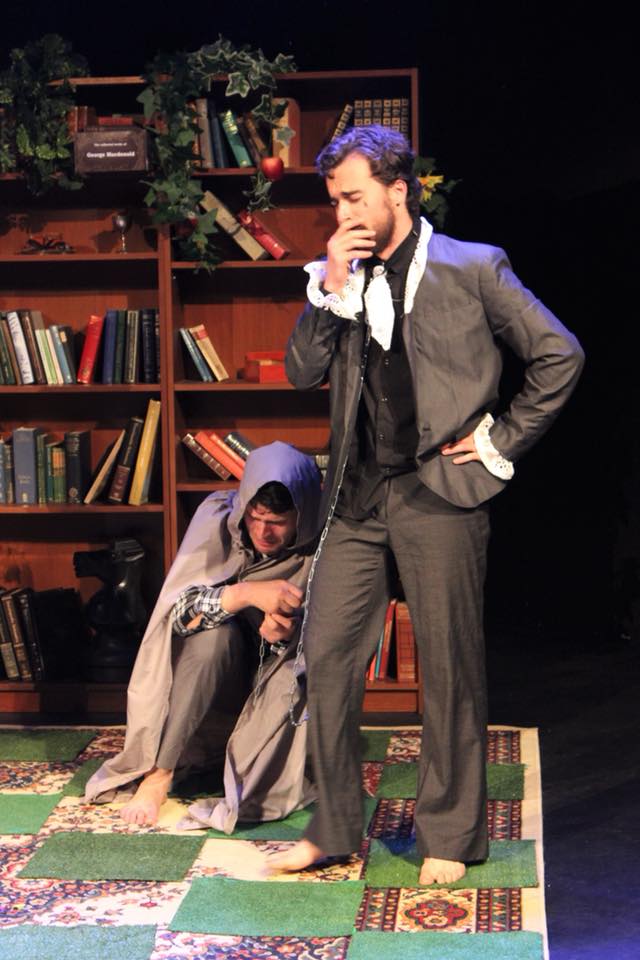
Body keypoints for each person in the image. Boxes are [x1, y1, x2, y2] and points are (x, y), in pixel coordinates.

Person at [273, 125, 585, 883]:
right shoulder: (338, 276)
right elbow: (299, 372)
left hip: (439, 492)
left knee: (447, 669)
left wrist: (502, 438)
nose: (343, 212)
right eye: (335, 201)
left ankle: (449, 834)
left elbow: (559, 354)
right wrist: (331, 289)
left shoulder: (471, 267)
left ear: (397, 191)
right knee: (327, 659)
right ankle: (334, 825)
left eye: (354, 197)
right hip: (356, 499)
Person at [84, 441, 321, 830]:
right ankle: (159, 774)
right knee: (211, 640)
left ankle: (254, 768)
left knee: (292, 677)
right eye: (255, 517)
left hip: (280, 691)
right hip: (214, 690)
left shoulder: (327, 543)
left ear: (303, 515)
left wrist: (284, 636)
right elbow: (176, 618)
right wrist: (244, 594)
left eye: (278, 521)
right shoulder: (219, 519)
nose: (263, 531)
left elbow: (334, 640)